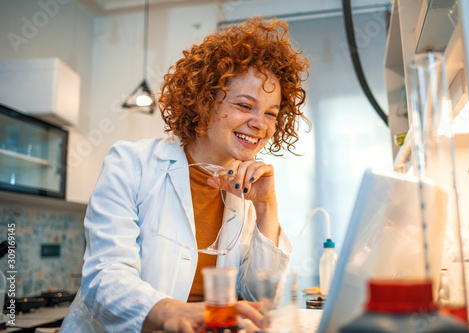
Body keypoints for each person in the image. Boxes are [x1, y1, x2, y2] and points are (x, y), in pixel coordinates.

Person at [60, 16, 310, 333]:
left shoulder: (245, 192)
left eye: (271, 113)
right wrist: (172, 311)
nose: (261, 124)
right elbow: (105, 277)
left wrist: (266, 208)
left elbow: (259, 299)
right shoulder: (132, 163)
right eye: (246, 105)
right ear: (205, 102)